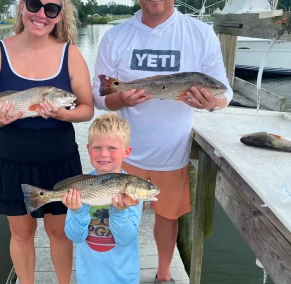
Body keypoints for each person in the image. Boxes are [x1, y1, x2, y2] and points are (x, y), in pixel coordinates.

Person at [91, 1, 234, 282]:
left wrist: (211, 103)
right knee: (118, 219)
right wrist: (121, 97)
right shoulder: (115, 36)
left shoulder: (200, 34)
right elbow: (99, 94)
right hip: (124, 153)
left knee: (168, 217)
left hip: (172, 150)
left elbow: (224, 90)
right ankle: (118, 273)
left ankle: (164, 274)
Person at [0, 0, 94, 283]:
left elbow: (87, 108)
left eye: (51, 9)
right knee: (21, 234)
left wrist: (63, 114)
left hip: (60, 162)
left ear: (60, 15)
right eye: (35, 4)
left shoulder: (71, 54)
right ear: (22, 6)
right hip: (11, 161)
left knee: (58, 232)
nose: (41, 14)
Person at [62, 112, 143, 284]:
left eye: (112, 148)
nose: (104, 154)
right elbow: (75, 236)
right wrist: (77, 211)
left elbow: (126, 238)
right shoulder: (80, 187)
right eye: (97, 147)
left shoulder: (133, 188)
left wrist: (119, 212)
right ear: (88, 150)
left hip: (123, 278)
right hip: (89, 277)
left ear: (126, 152)